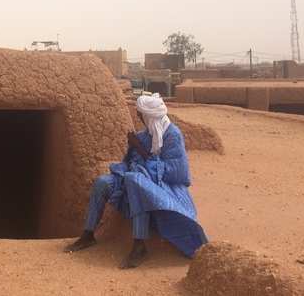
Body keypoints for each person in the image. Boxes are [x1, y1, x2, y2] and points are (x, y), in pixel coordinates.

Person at [65, 93, 207, 268]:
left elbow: (179, 172)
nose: (139, 117)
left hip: (165, 187)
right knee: (103, 182)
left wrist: (141, 153)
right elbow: (130, 162)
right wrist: (133, 154)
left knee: (134, 182)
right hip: (136, 178)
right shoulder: (144, 135)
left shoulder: (173, 135)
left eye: (141, 114)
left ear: (149, 115)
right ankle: (88, 234)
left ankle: (139, 245)